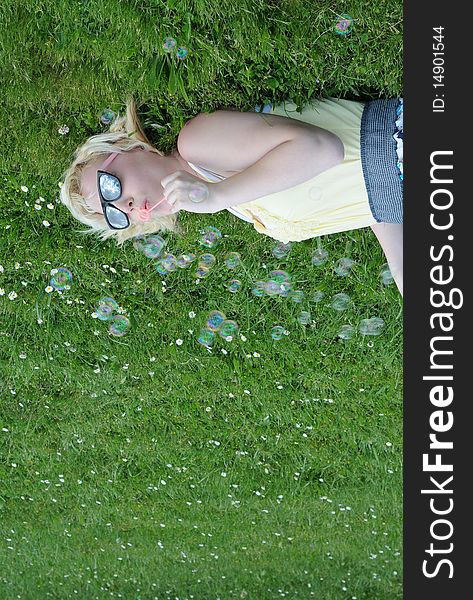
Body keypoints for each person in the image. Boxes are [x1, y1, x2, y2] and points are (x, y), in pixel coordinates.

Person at [60, 95, 404, 294]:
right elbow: (362, 195)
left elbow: (323, 149)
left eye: (110, 185)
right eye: (114, 215)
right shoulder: (234, 203)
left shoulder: (197, 143)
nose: (124, 205)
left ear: (128, 148)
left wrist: (215, 196)